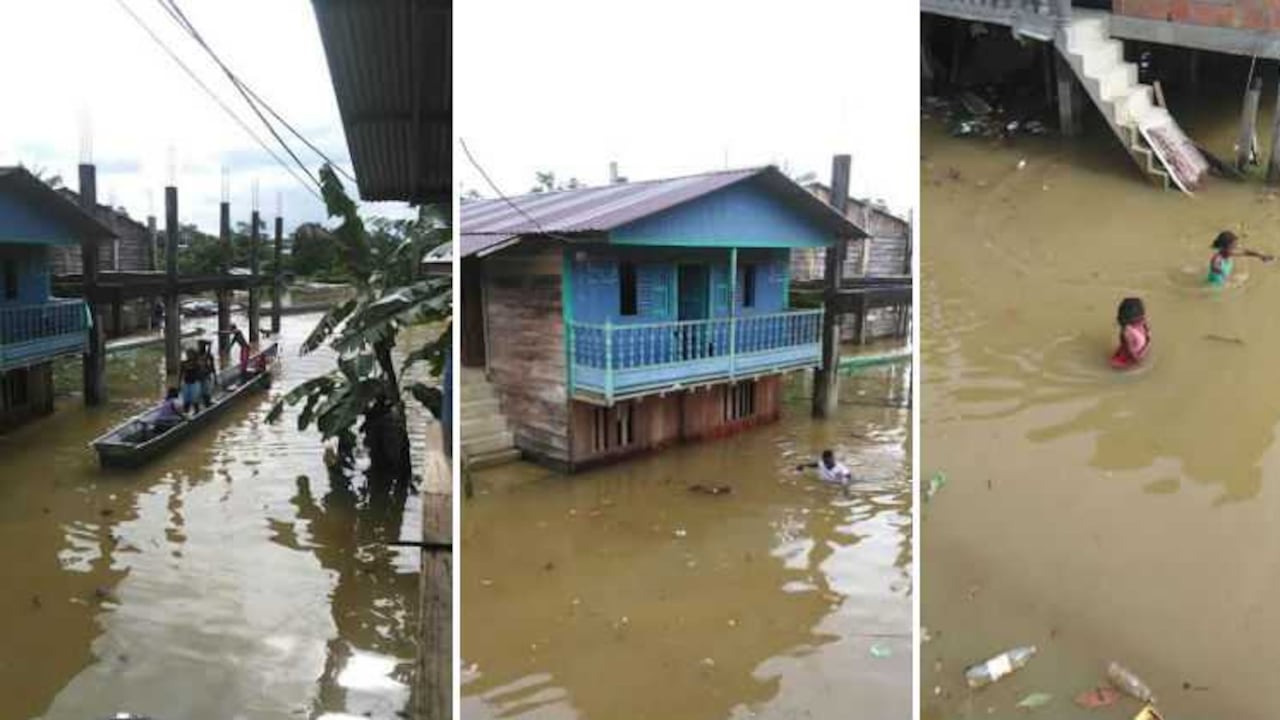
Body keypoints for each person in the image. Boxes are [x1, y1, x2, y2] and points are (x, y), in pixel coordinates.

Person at [1207, 230, 1272, 287]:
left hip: (1223, 284)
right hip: (1214, 287)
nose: (1236, 248)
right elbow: (1215, 267)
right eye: (1233, 246)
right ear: (1223, 247)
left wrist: (1260, 255)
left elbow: (1246, 252)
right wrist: (1231, 281)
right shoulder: (1217, 258)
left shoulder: (1229, 254)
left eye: (1235, 245)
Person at [1110, 297, 1151, 370]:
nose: (1141, 320)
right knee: (1114, 365)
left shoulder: (1142, 321)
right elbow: (1132, 355)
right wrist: (1139, 359)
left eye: (1141, 318)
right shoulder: (1127, 332)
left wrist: (1147, 341)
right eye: (1137, 320)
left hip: (1137, 350)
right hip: (1126, 358)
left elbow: (1147, 331)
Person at [180, 348, 204, 412]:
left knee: (195, 400)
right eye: (188, 354)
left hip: (194, 383)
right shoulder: (184, 363)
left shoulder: (197, 363)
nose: (188, 355)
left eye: (190, 354)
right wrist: (179, 383)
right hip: (186, 383)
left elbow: (200, 372)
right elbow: (181, 374)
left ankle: (197, 412)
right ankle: (186, 413)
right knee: (186, 400)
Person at [198, 340, 216, 407]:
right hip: (201, 376)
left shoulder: (207, 356)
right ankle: (206, 403)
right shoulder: (199, 356)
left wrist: (215, 376)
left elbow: (212, 367)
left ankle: (207, 404)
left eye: (201, 346)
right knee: (205, 392)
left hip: (205, 376)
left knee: (206, 392)